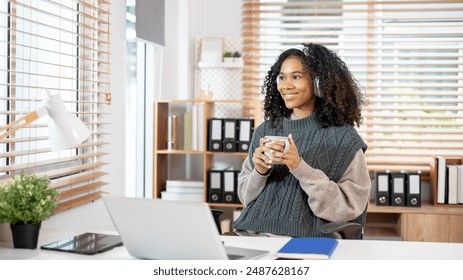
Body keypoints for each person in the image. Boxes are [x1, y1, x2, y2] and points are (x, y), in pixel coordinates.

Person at [232, 43, 371, 238]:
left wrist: (299, 167)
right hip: (253, 236)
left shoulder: (343, 138)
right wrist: (260, 172)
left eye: (296, 77)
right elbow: (245, 198)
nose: (286, 85)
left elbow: (349, 206)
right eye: (282, 77)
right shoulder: (266, 130)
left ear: (318, 83)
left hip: (308, 240)